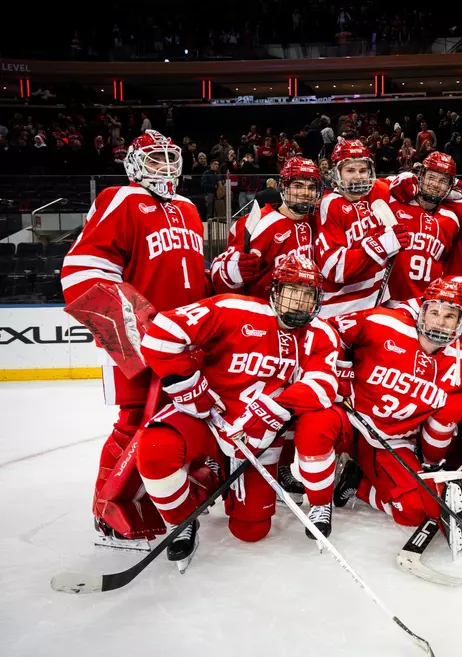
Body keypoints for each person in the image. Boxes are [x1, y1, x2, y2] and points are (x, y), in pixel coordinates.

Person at [136, 255, 342, 567]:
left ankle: (212, 475)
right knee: (155, 449)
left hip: (258, 437)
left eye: (308, 294)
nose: (300, 301)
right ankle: (181, 519)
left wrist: (273, 410)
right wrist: (188, 387)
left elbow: (323, 386)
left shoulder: (321, 334)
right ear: (275, 291)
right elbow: (161, 333)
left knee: (251, 531)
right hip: (207, 417)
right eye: (292, 291)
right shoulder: (234, 309)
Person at [60, 130, 208, 545]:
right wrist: (136, 324)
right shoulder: (121, 198)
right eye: (155, 159)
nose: (165, 166)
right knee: (133, 422)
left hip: (185, 341)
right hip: (138, 338)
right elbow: (85, 266)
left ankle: (169, 495)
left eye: (170, 158)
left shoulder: (188, 208)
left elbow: (189, 274)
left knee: (178, 421)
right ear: (135, 165)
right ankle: (109, 508)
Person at [332, 278, 462, 557]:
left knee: (413, 511)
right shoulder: (386, 324)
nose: (440, 322)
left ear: (461, 322)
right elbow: (330, 331)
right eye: (434, 313)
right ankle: (303, 477)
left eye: (450, 316)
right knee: (316, 424)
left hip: (391, 441)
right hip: (351, 418)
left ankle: (358, 484)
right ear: (422, 312)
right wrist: (339, 369)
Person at [210, 156, 322, 299]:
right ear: (284, 187)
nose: (306, 193)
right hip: (263, 307)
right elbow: (217, 273)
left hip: (306, 305)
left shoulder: (316, 220)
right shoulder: (257, 222)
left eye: (311, 187)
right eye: (298, 186)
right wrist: (234, 269)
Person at [316, 138, 405, 316]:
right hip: (339, 311)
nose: (358, 176)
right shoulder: (330, 204)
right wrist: (380, 246)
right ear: (337, 173)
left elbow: (400, 181)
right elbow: (333, 267)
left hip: (375, 303)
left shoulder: (373, 194)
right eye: (350, 170)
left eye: (363, 170)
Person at [380, 151, 460, 304]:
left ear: (450, 186)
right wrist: (397, 178)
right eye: (431, 177)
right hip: (388, 299)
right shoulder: (395, 200)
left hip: (426, 304)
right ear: (420, 176)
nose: (436, 185)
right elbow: (370, 186)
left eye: (443, 181)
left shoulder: (452, 219)